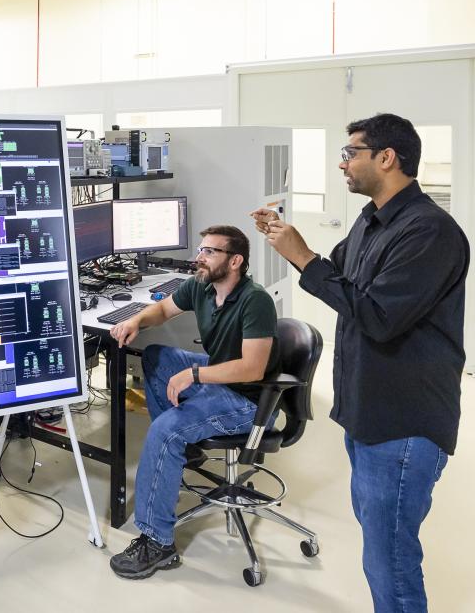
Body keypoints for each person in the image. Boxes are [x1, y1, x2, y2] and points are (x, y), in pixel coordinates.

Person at [251, 113, 468, 613]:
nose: (342, 163)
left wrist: (302, 256)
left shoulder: (430, 231)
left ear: (386, 158)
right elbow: (341, 278)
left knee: (390, 562)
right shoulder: (372, 217)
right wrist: (290, 242)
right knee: (381, 546)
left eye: (351, 153)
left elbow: (377, 316)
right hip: (368, 413)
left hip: (404, 424)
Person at [107, 225, 280, 579]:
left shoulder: (255, 300)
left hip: (249, 400)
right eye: (201, 250)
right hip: (221, 378)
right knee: (156, 356)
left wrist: (195, 376)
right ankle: (184, 450)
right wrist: (136, 320)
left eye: (209, 252)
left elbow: (253, 367)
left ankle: (158, 544)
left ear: (235, 261)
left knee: (165, 430)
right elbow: (164, 310)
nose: (199, 257)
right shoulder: (201, 286)